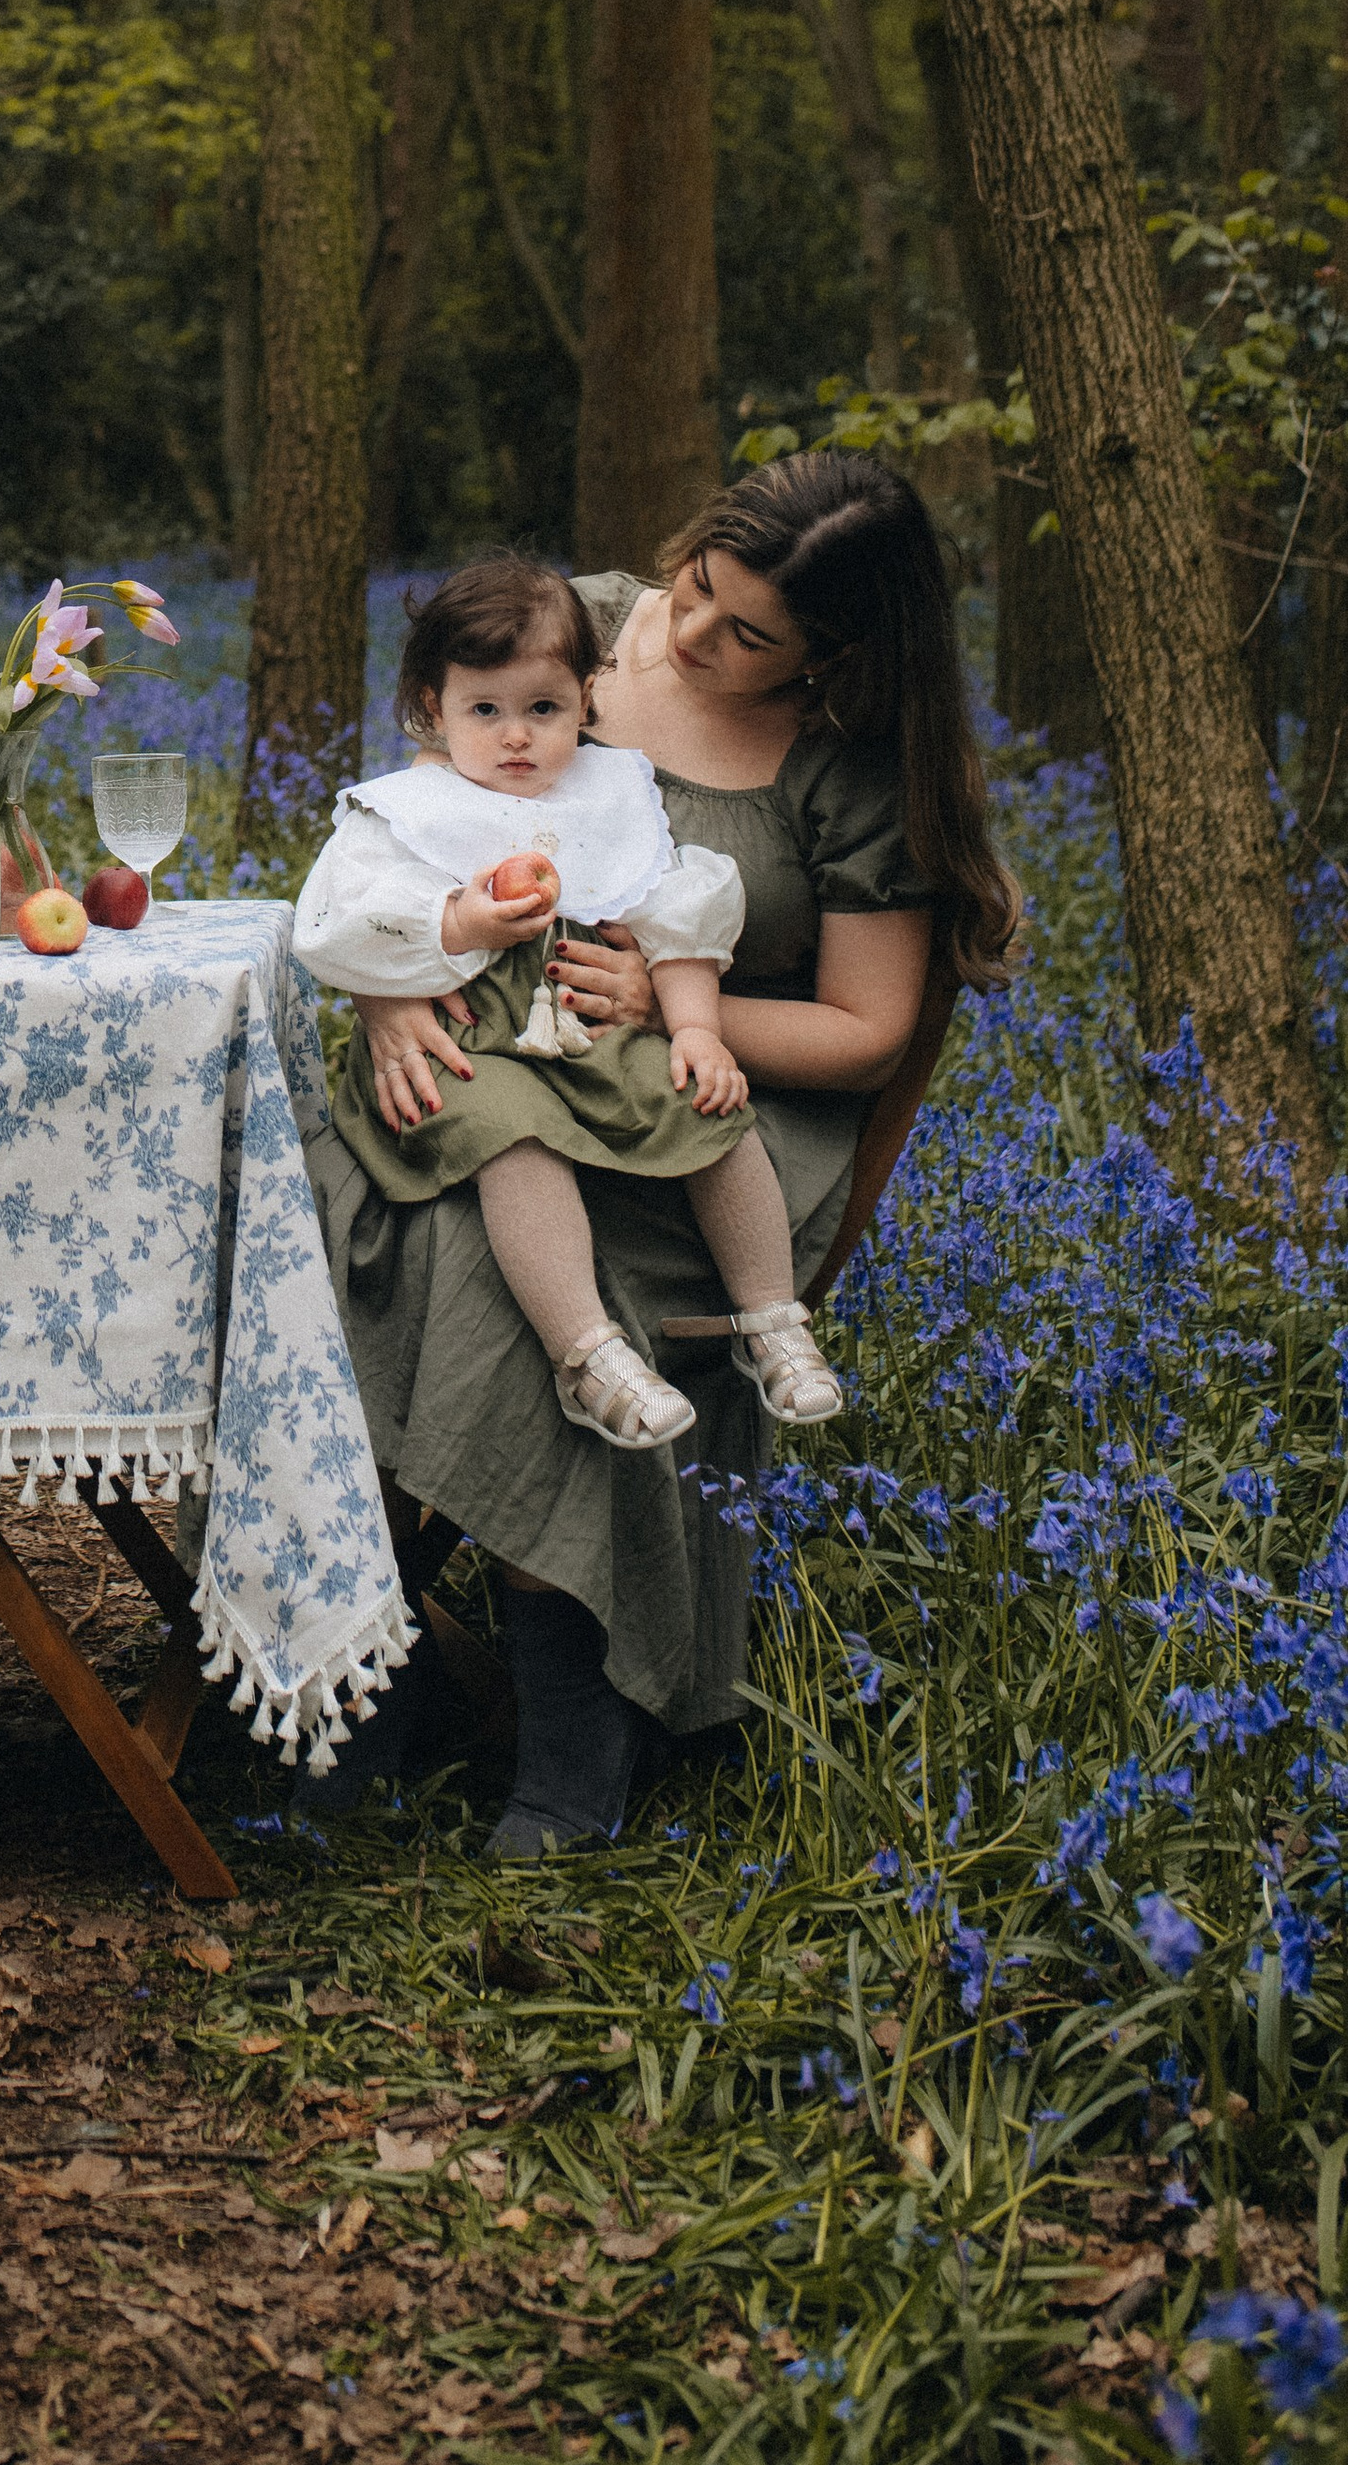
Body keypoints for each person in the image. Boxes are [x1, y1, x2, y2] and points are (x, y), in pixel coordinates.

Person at [301, 450, 1015, 1857]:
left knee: (505, 1271)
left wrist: (673, 1003)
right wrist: (390, 991)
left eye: (751, 635)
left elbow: (869, 1032)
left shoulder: (852, 768)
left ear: (841, 652)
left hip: (717, 1104)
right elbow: (414, 832)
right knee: (331, 1199)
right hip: (507, 1063)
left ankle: (576, 1732)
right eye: (698, 590)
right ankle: (363, 1667)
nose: (691, 637)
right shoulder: (573, 628)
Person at [294, 556, 843, 1457]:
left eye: (543, 710)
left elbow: (674, 916)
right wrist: (459, 922)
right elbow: (335, 927)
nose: (516, 737)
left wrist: (697, 1027)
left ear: (585, 701)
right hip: (465, 1046)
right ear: (434, 708)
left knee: (708, 1108)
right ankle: (586, 1354)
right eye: (486, 711)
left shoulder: (609, 793)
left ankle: (770, 1319)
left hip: (587, 1033)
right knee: (517, 1140)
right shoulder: (409, 809)